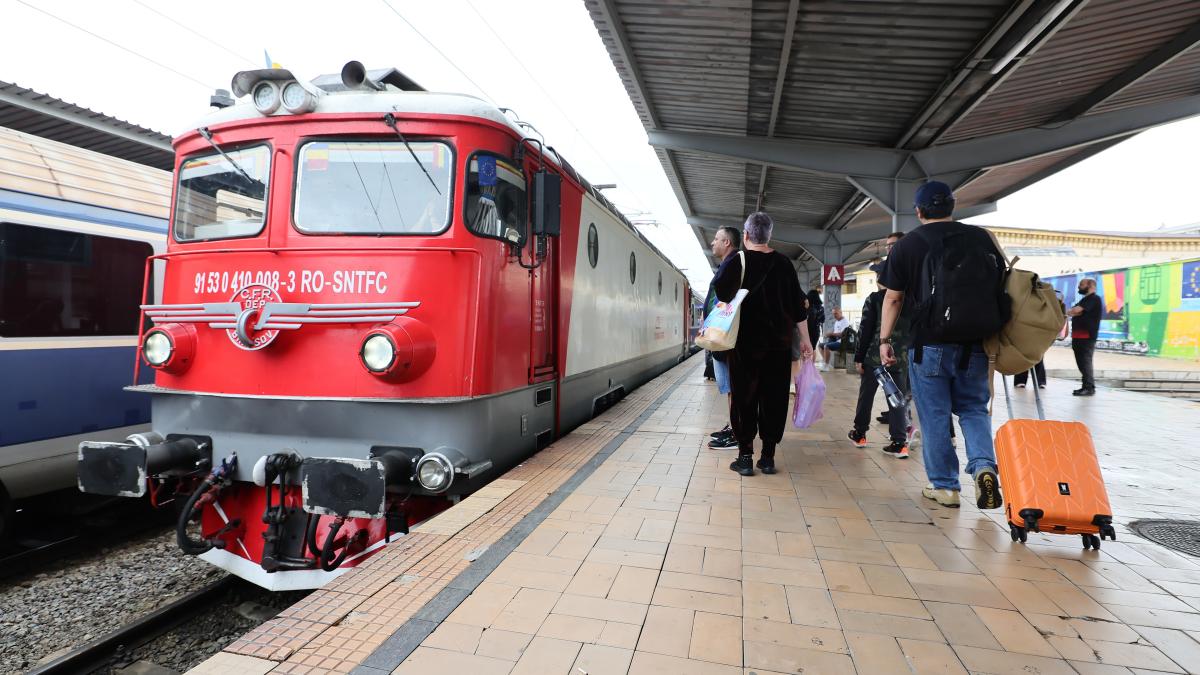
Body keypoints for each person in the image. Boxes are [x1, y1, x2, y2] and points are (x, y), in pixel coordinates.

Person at [878, 181, 1004, 510]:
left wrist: (884, 340)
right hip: (975, 343)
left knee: (934, 415)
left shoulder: (907, 245)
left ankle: (945, 487)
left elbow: (893, 298)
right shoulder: (981, 238)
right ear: (952, 206)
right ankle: (984, 467)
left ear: (918, 211)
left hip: (929, 345)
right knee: (974, 409)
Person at [712, 212, 812, 476]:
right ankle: (767, 458)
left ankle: (745, 457)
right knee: (774, 399)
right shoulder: (784, 263)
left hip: (744, 345)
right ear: (769, 235)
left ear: (745, 235)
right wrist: (806, 341)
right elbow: (798, 308)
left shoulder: (738, 260)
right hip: (778, 346)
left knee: (744, 398)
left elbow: (721, 292)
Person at [851, 280, 911, 458]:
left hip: (874, 358)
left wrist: (859, 357)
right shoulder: (910, 298)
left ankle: (860, 434)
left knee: (866, 396)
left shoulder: (875, 298)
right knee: (897, 398)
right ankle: (899, 443)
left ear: (879, 279)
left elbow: (865, 329)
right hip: (900, 358)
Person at [704, 226, 743, 450]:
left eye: (716, 239)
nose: (713, 243)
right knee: (730, 389)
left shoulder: (733, 263)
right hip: (723, 336)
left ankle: (737, 434)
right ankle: (734, 427)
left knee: (733, 389)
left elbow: (725, 298)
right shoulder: (729, 264)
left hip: (727, 337)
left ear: (727, 242)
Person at [1065, 278, 1101, 396]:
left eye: (1081, 284)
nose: (1079, 287)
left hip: (1086, 336)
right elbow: (1074, 312)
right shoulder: (1085, 299)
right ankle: (1086, 386)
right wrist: (1073, 311)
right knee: (1081, 363)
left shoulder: (1094, 298)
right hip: (1078, 336)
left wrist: (1073, 311)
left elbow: (1076, 310)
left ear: (1090, 286)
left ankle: (1089, 388)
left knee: (1085, 362)